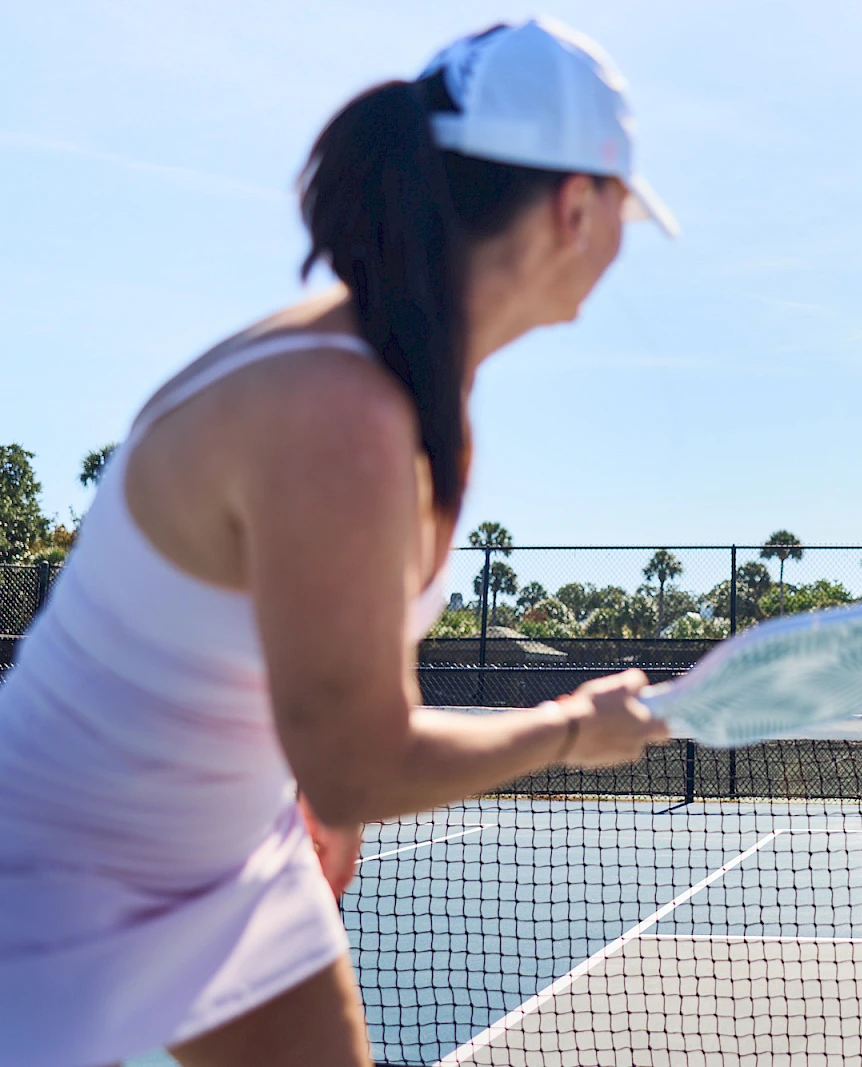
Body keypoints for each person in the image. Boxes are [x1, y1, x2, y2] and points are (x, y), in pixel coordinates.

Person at [0, 20, 675, 1067]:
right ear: (575, 205)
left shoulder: (402, 377)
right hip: (42, 885)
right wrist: (570, 730)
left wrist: (312, 786)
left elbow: (317, 670)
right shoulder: (344, 409)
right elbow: (364, 762)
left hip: (228, 861)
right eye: (628, 209)